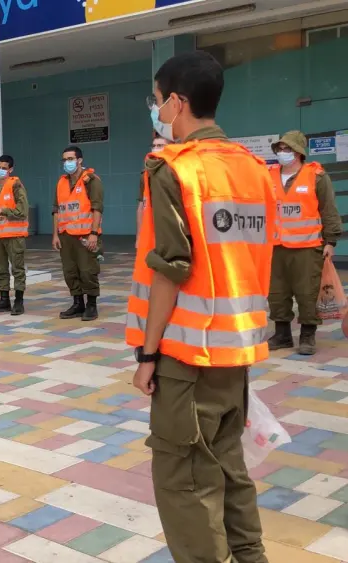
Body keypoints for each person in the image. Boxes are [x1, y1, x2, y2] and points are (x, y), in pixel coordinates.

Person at [129, 51, 273, 563]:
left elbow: (171, 270)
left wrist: (148, 356)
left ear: (176, 102)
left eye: (156, 98)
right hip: (237, 357)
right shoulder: (256, 170)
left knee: (187, 484)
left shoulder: (174, 170)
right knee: (230, 471)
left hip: (189, 359)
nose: (154, 109)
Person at [266, 131, 341, 355]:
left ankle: (308, 334)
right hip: (275, 246)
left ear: (298, 152)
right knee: (277, 292)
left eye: (287, 149)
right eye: (279, 149)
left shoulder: (317, 176)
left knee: (307, 292)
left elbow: (328, 210)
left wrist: (331, 241)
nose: (282, 153)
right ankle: (282, 334)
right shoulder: (268, 175)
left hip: (308, 248)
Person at [52, 145, 103, 321]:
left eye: (70, 159)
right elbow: (56, 210)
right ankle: (77, 303)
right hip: (66, 236)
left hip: (85, 235)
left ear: (79, 160)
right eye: (64, 160)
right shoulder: (61, 182)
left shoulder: (91, 180)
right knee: (70, 271)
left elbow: (97, 208)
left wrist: (94, 234)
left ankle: (91, 305)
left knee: (87, 271)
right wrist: (55, 234)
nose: (67, 163)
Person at [0, 155, 29, 315]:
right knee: (0, 270)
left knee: (17, 269)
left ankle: (19, 301)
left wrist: (3, 211)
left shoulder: (16, 185)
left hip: (14, 235)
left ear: (10, 169)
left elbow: (22, 211)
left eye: (3, 168)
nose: (0, 170)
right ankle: (4, 300)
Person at [137, 134, 170, 248]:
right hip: (151, 229)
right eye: (154, 146)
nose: (156, 149)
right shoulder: (145, 175)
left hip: (171, 231)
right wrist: (139, 237)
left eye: (160, 145)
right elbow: (142, 205)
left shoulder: (177, 172)